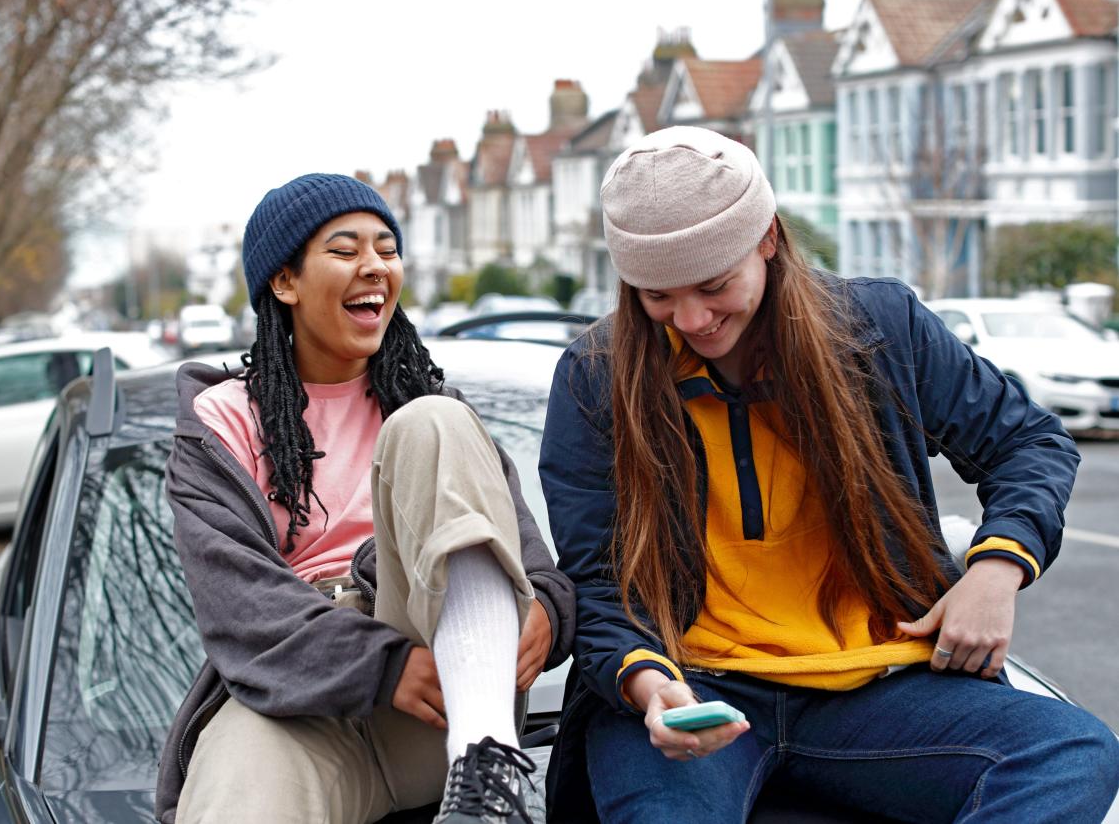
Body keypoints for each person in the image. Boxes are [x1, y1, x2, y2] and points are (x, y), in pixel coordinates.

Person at [538, 127, 1119, 823]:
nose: (691, 318)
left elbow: (1028, 441)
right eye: (656, 296)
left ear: (769, 239)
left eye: (714, 285)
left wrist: (996, 570)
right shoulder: (595, 376)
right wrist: (647, 684)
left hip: (880, 687)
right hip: (693, 690)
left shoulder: (880, 327)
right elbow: (597, 582)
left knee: (1073, 751)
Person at [153, 174, 575, 824]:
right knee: (233, 799)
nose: (374, 266)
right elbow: (239, 607)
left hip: (443, 701)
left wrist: (547, 611)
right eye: (346, 250)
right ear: (285, 282)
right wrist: (384, 666)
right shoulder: (221, 421)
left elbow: (535, 567)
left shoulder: (436, 413)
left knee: (430, 422)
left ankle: (488, 772)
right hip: (297, 705)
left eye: (386, 248)